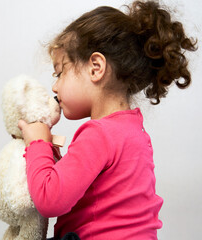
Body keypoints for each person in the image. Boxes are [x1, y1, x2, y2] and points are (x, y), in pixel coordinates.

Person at [18, 1, 197, 239]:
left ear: (95, 68)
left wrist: (37, 144)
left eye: (60, 72)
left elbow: (50, 200)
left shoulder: (99, 133)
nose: (54, 85)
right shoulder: (134, 130)